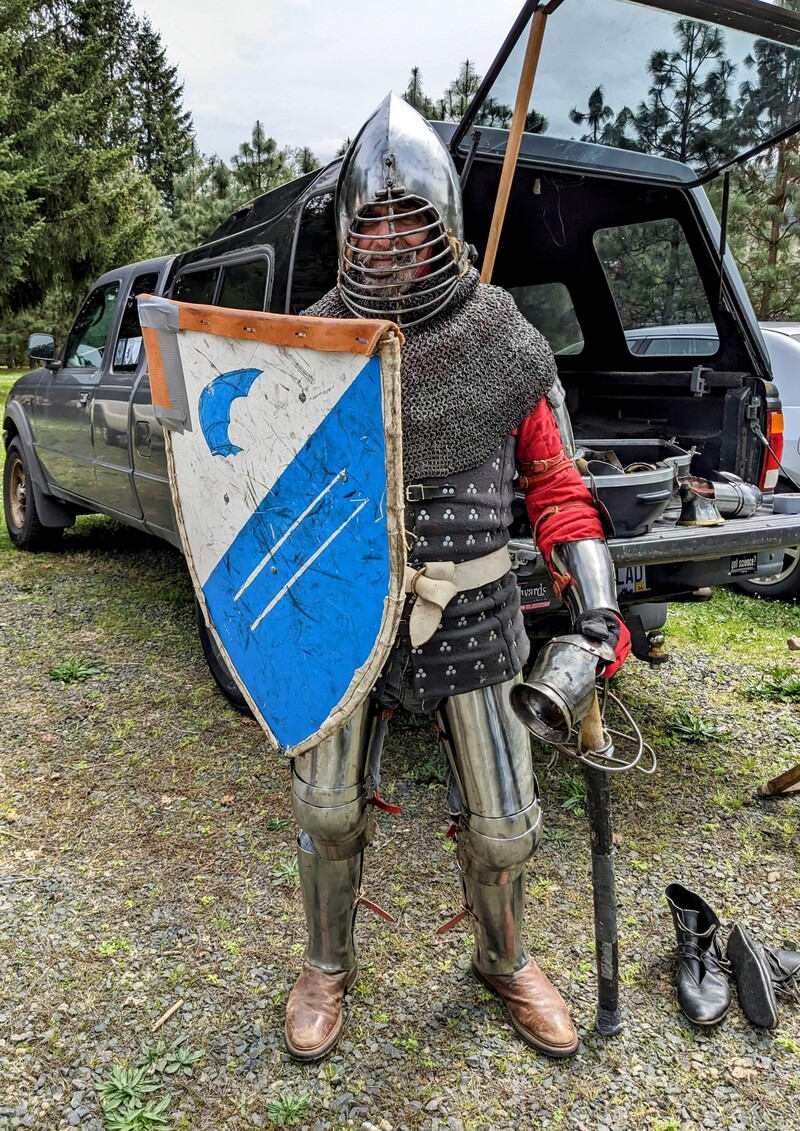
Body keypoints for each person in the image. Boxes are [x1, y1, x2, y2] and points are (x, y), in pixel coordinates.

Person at [284, 93, 630, 1062]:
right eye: (376, 226)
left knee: (505, 824)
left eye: (410, 223)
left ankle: (504, 957)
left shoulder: (501, 341)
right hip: (353, 607)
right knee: (324, 808)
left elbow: (556, 488)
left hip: (471, 607)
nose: (392, 242)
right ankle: (325, 965)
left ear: (443, 226)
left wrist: (595, 609)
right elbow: (274, 494)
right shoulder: (315, 341)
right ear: (353, 236)